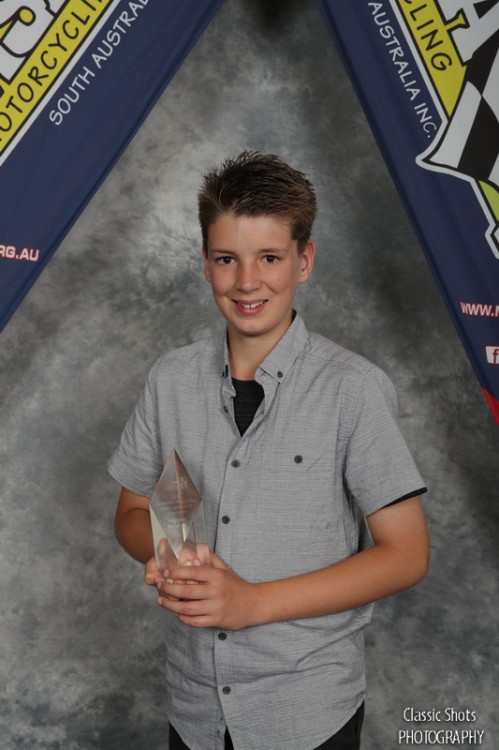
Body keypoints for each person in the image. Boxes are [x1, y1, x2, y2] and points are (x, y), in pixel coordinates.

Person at [109, 151, 429, 750]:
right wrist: (167, 553)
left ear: (304, 261)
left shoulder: (353, 389)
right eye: (227, 259)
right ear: (205, 263)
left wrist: (252, 603)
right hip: (195, 710)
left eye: (270, 258)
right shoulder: (170, 380)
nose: (247, 281)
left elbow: (407, 554)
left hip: (306, 710)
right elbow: (133, 512)